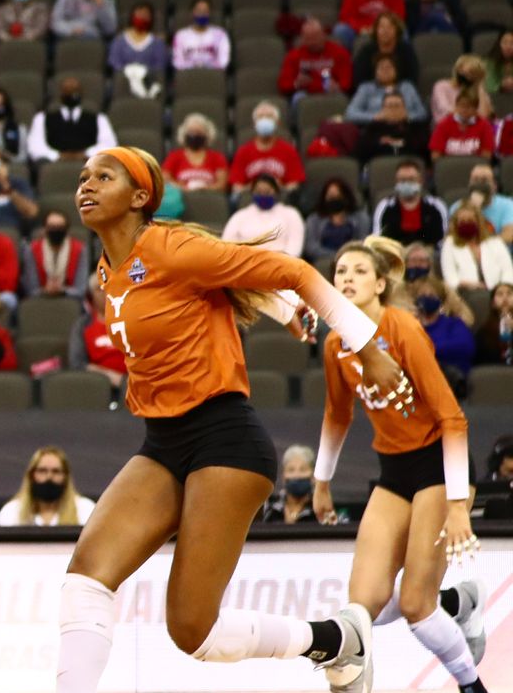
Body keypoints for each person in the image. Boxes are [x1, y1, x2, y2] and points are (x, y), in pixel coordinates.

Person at [54, 147, 408, 693]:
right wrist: (284, 312)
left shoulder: (171, 245)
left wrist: (369, 347)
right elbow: (217, 281)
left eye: (104, 176)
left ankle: (335, 641)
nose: (87, 184)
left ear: (141, 196)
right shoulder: (109, 271)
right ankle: (336, 640)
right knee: (85, 580)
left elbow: (290, 268)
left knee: (193, 631)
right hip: (164, 441)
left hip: (224, 439)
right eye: (83, 177)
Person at [313, 236, 487, 693]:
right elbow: (338, 413)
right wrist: (321, 481)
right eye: (339, 272)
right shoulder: (335, 344)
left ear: (381, 283)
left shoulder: (404, 329)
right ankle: (459, 602)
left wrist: (456, 505)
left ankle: (473, 685)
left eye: (358, 271)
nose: (346, 278)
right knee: (361, 605)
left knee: (416, 606)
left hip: (437, 467)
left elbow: (453, 418)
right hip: (392, 474)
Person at [27, 77, 117, 167]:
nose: (72, 95)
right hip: (54, 166)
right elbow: (35, 146)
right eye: (68, 91)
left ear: (81, 93)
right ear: (61, 94)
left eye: (75, 91)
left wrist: (85, 154)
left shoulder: (99, 118)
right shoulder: (42, 118)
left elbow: (109, 144)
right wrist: (57, 156)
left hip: (90, 165)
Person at [0, 446, 95, 527]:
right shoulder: (11, 512)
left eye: (56, 471)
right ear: (31, 475)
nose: (49, 477)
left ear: (66, 477)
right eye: (42, 471)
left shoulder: (85, 510)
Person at [230, 101, 304, 197]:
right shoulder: (243, 151)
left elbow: (294, 184)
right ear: (254, 123)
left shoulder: (288, 150)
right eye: (260, 117)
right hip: (251, 197)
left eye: (269, 117)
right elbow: (236, 187)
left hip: (279, 196)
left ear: (277, 123)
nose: (264, 120)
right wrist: (257, 187)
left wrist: (277, 188)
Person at [223, 175, 305, 257]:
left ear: (276, 192)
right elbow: (228, 244)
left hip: (282, 264)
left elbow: (295, 246)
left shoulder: (291, 214)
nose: (263, 195)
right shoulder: (240, 216)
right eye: (259, 192)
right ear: (252, 193)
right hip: (246, 263)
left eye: (267, 192)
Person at [374, 159, 449, 248]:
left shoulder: (436, 205)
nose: (406, 183)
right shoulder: (385, 206)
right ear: (396, 182)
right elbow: (377, 239)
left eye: (411, 179)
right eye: (402, 180)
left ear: (420, 181)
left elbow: (443, 240)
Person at [441, 205, 513, 292]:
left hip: (497, 292)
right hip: (465, 292)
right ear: (456, 224)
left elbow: (508, 270)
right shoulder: (449, 244)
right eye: (462, 221)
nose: (466, 223)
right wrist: (465, 284)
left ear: (478, 222)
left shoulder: (495, 242)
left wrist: (502, 289)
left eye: (470, 220)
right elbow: (450, 276)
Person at [279, 18, 354, 100]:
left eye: (315, 38)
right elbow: (283, 85)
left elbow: (347, 83)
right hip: (305, 94)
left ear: (324, 35)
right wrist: (296, 84)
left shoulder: (340, 53)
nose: (312, 42)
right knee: (298, 97)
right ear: (302, 38)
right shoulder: (293, 55)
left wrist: (338, 87)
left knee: (341, 98)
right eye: (308, 39)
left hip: (332, 93)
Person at [22, 210, 91, 301]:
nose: (56, 231)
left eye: (60, 227)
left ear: (67, 230)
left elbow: (81, 288)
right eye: (52, 227)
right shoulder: (32, 249)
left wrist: (63, 290)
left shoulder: (80, 249)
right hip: (39, 299)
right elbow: (31, 288)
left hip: (72, 299)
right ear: (44, 229)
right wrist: (45, 290)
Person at [304, 178, 371, 263]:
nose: (335, 200)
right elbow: (311, 247)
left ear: (346, 197)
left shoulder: (361, 218)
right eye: (331, 197)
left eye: (338, 196)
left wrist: (347, 255)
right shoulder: (314, 219)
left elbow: (363, 242)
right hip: (323, 260)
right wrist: (336, 255)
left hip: (353, 258)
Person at [108, 4, 166, 94]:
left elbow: (159, 65)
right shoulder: (119, 41)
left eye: (145, 15)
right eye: (139, 14)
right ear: (132, 16)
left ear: (151, 18)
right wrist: (130, 72)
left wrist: (144, 73)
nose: (142, 17)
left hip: (148, 82)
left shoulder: (157, 42)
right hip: (123, 83)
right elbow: (114, 62)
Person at [352, 10, 419, 88]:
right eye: (381, 27)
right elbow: (360, 80)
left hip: (400, 90)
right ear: (376, 30)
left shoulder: (406, 50)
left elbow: (412, 77)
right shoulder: (366, 51)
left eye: (390, 27)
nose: (385, 31)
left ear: (397, 30)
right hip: (372, 91)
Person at [162, 115, 226, 192]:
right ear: (184, 134)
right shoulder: (174, 156)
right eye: (191, 131)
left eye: (198, 132)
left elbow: (222, 185)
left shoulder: (217, 157)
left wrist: (206, 189)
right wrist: (183, 188)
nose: (194, 135)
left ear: (207, 135)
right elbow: (165, 180)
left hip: (209, 197)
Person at [261, 445, 322, 524]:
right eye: (291, 470)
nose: (297, 475)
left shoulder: (321, 509)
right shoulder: (269, 508)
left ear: (313, 477)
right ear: (283, 477)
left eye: (303, 470)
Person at [431, 89, 496, 160]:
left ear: (475, 109)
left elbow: (487, 155)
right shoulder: (443, 124)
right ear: (456, 106)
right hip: (450, 167)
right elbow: (435, 156)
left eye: (468, 107)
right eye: (461, 106)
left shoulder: (484, 125)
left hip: (475, 166)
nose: (464, 110)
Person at [171, 0, 229, 71]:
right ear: (192, 12)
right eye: (198, 10)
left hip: (212, 76)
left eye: (205, 11)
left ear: (210, 13)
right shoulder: (180, 35)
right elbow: (177, 62)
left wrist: (205, 67)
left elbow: (223, 62)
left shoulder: (220, 34)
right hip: (187, 76)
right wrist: (195, 67)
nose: (202, 13)